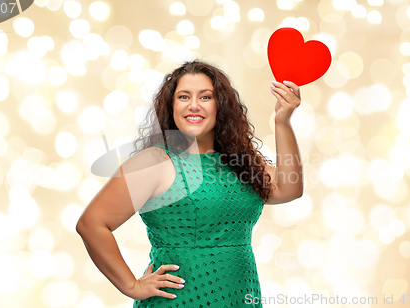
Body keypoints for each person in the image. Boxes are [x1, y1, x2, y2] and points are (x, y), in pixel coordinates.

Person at [76, 60, 304, 307]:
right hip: (181, 301)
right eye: (184, 97)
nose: (194, 105)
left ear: (221, 106)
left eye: (205, 97)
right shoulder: (155, 161)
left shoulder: (241, 163)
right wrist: (132, 285)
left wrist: (283, 121)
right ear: (171, 106)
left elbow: (289, 188)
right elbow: (92, 224)